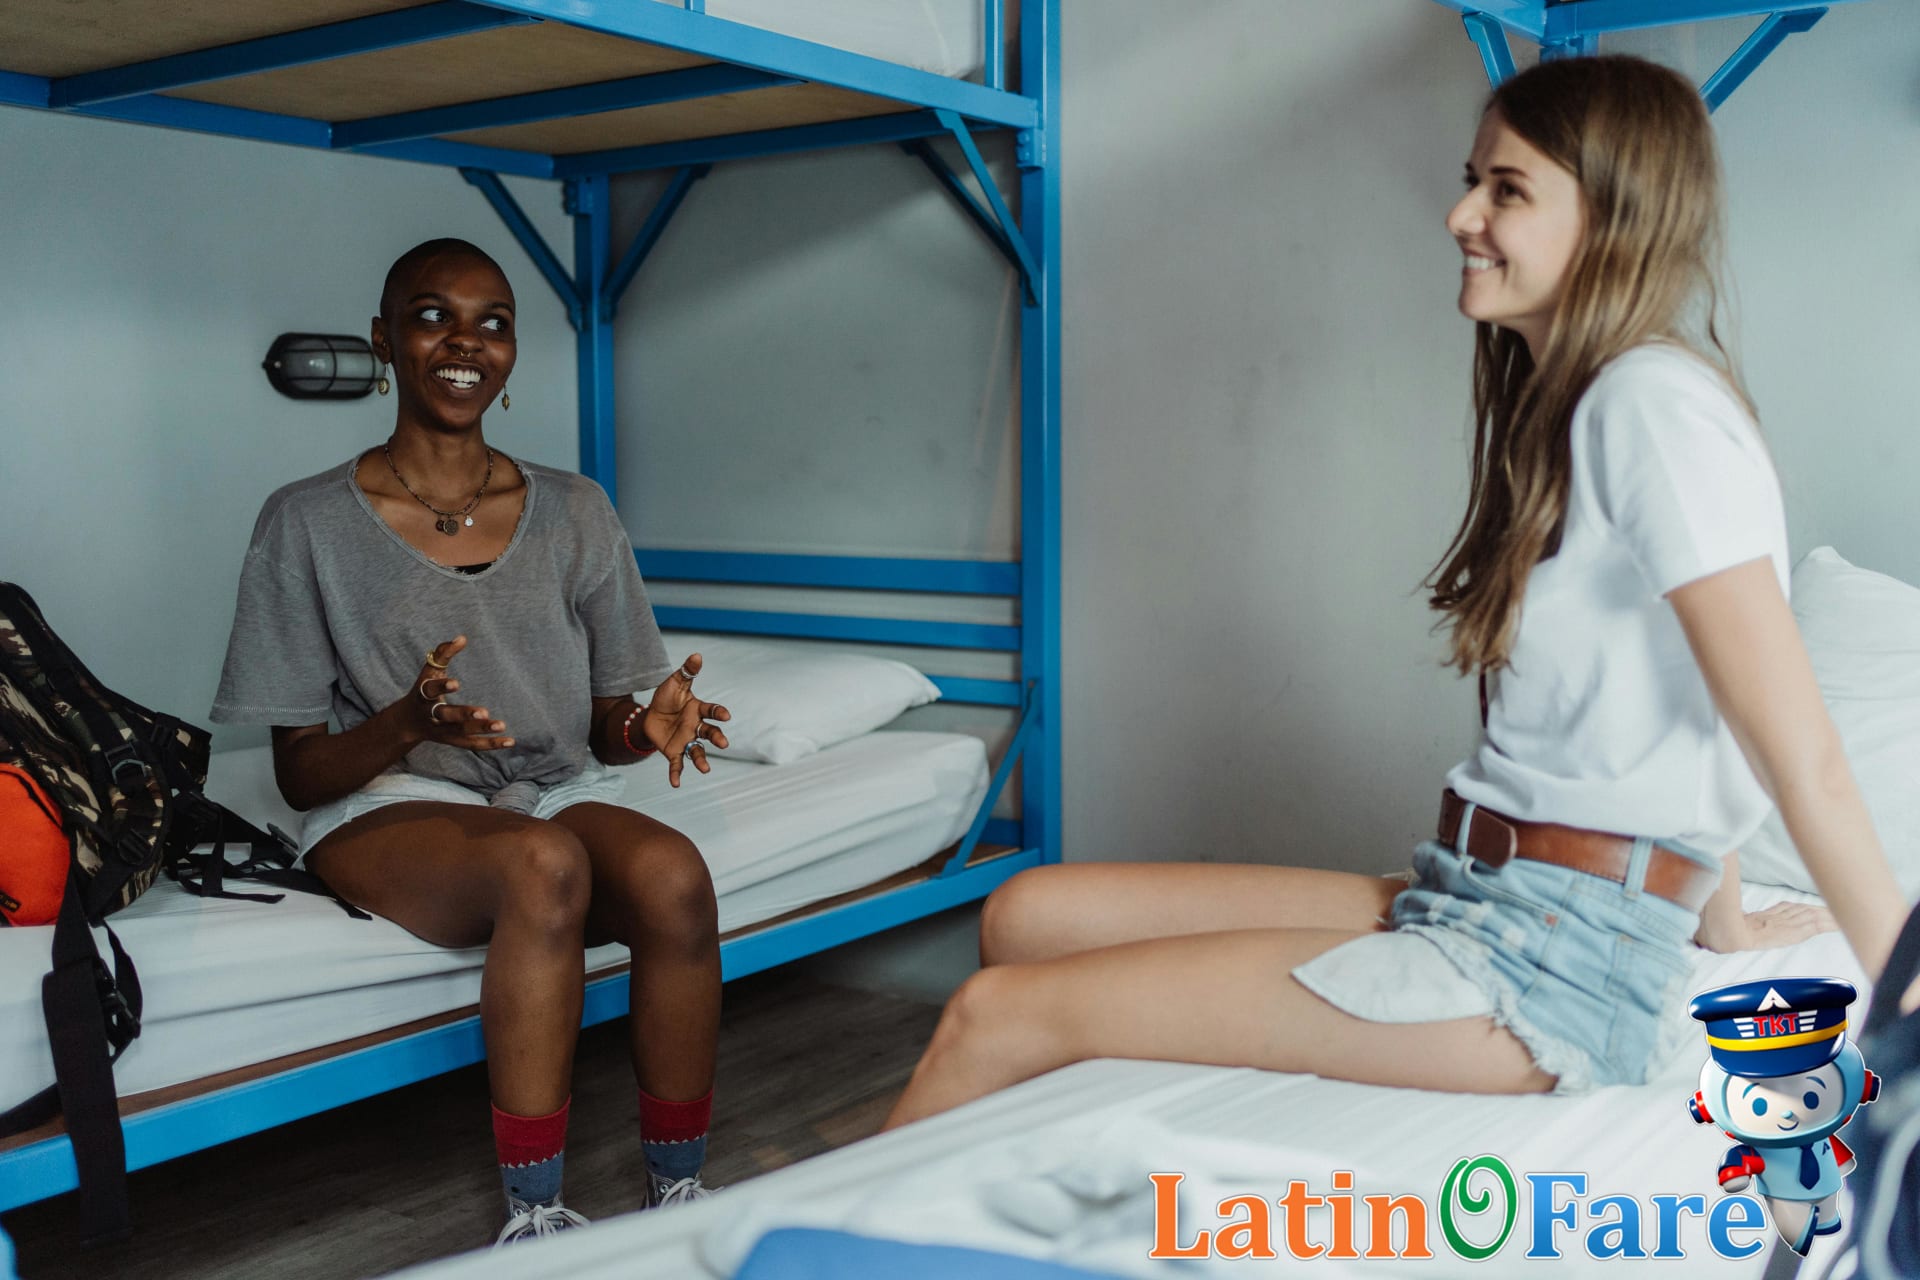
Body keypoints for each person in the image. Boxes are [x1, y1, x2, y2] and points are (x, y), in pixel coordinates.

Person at [883, 55, 1911, 1128]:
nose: (1462, 215)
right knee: (1027, 913)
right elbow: (1696, 693)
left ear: (1613, 217)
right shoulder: (1592, 402)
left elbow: (1792, 741)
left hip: (1555, 963)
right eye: (1473, 181)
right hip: (1476, 888)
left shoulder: (1649, 404)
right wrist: (1723, 919)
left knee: (994, 1014)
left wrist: (1904, 995)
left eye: (1507, 190)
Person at [211, 238, 731, 1244]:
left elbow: (603, 729)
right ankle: (535, 1219)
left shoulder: (576, 509)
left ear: (511, 352)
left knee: (675, 876)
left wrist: (642, 725)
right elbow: (300, 772)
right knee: (542, 865)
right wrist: (409, 721)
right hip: (388, 803)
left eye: (493, 323)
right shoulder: (305, 521)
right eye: (432, 316)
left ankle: (679, 1193)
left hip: (550, 786)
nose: (465, 342)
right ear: (384, 340)